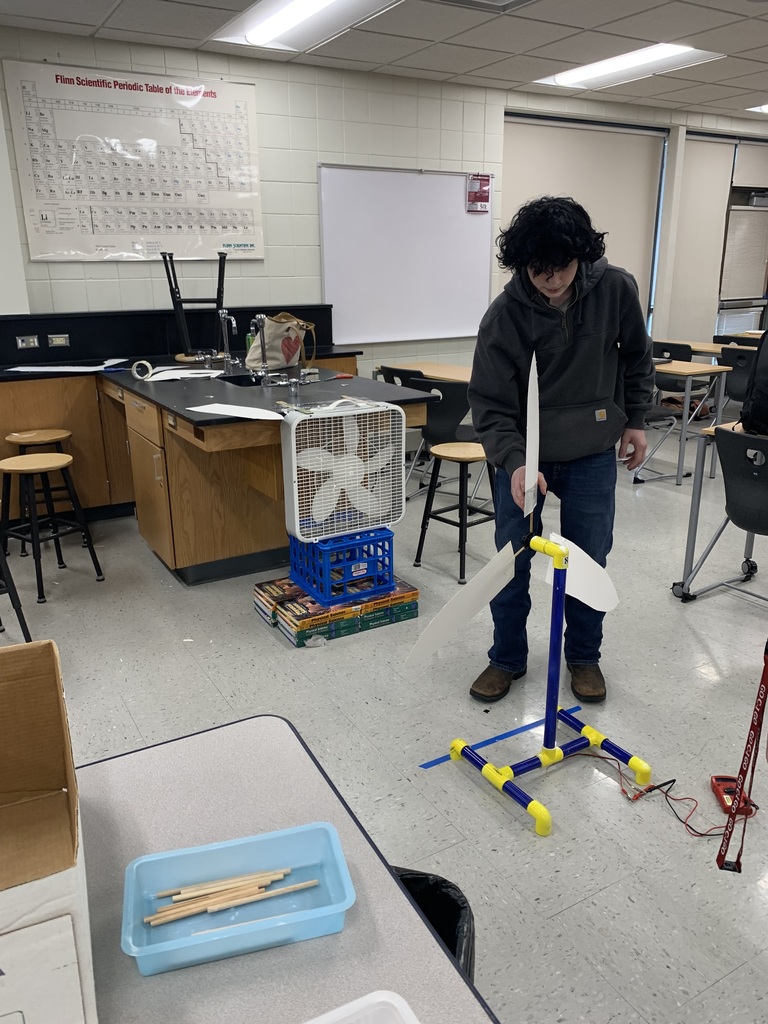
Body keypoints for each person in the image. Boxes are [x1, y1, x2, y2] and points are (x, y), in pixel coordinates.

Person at [467, 196, 654, 705]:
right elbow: (488, 403)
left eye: (563, 267)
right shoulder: (505, 315)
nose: (552, 280)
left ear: (583, 256)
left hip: (592, 450)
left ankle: (584, 657)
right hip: (524, 457)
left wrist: (635, 420)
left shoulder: (615, 288)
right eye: (539, 270)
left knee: (588, 559)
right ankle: (506, 658)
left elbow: (637, 358)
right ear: (522, 264)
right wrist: (513, 459)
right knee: (512, 560)